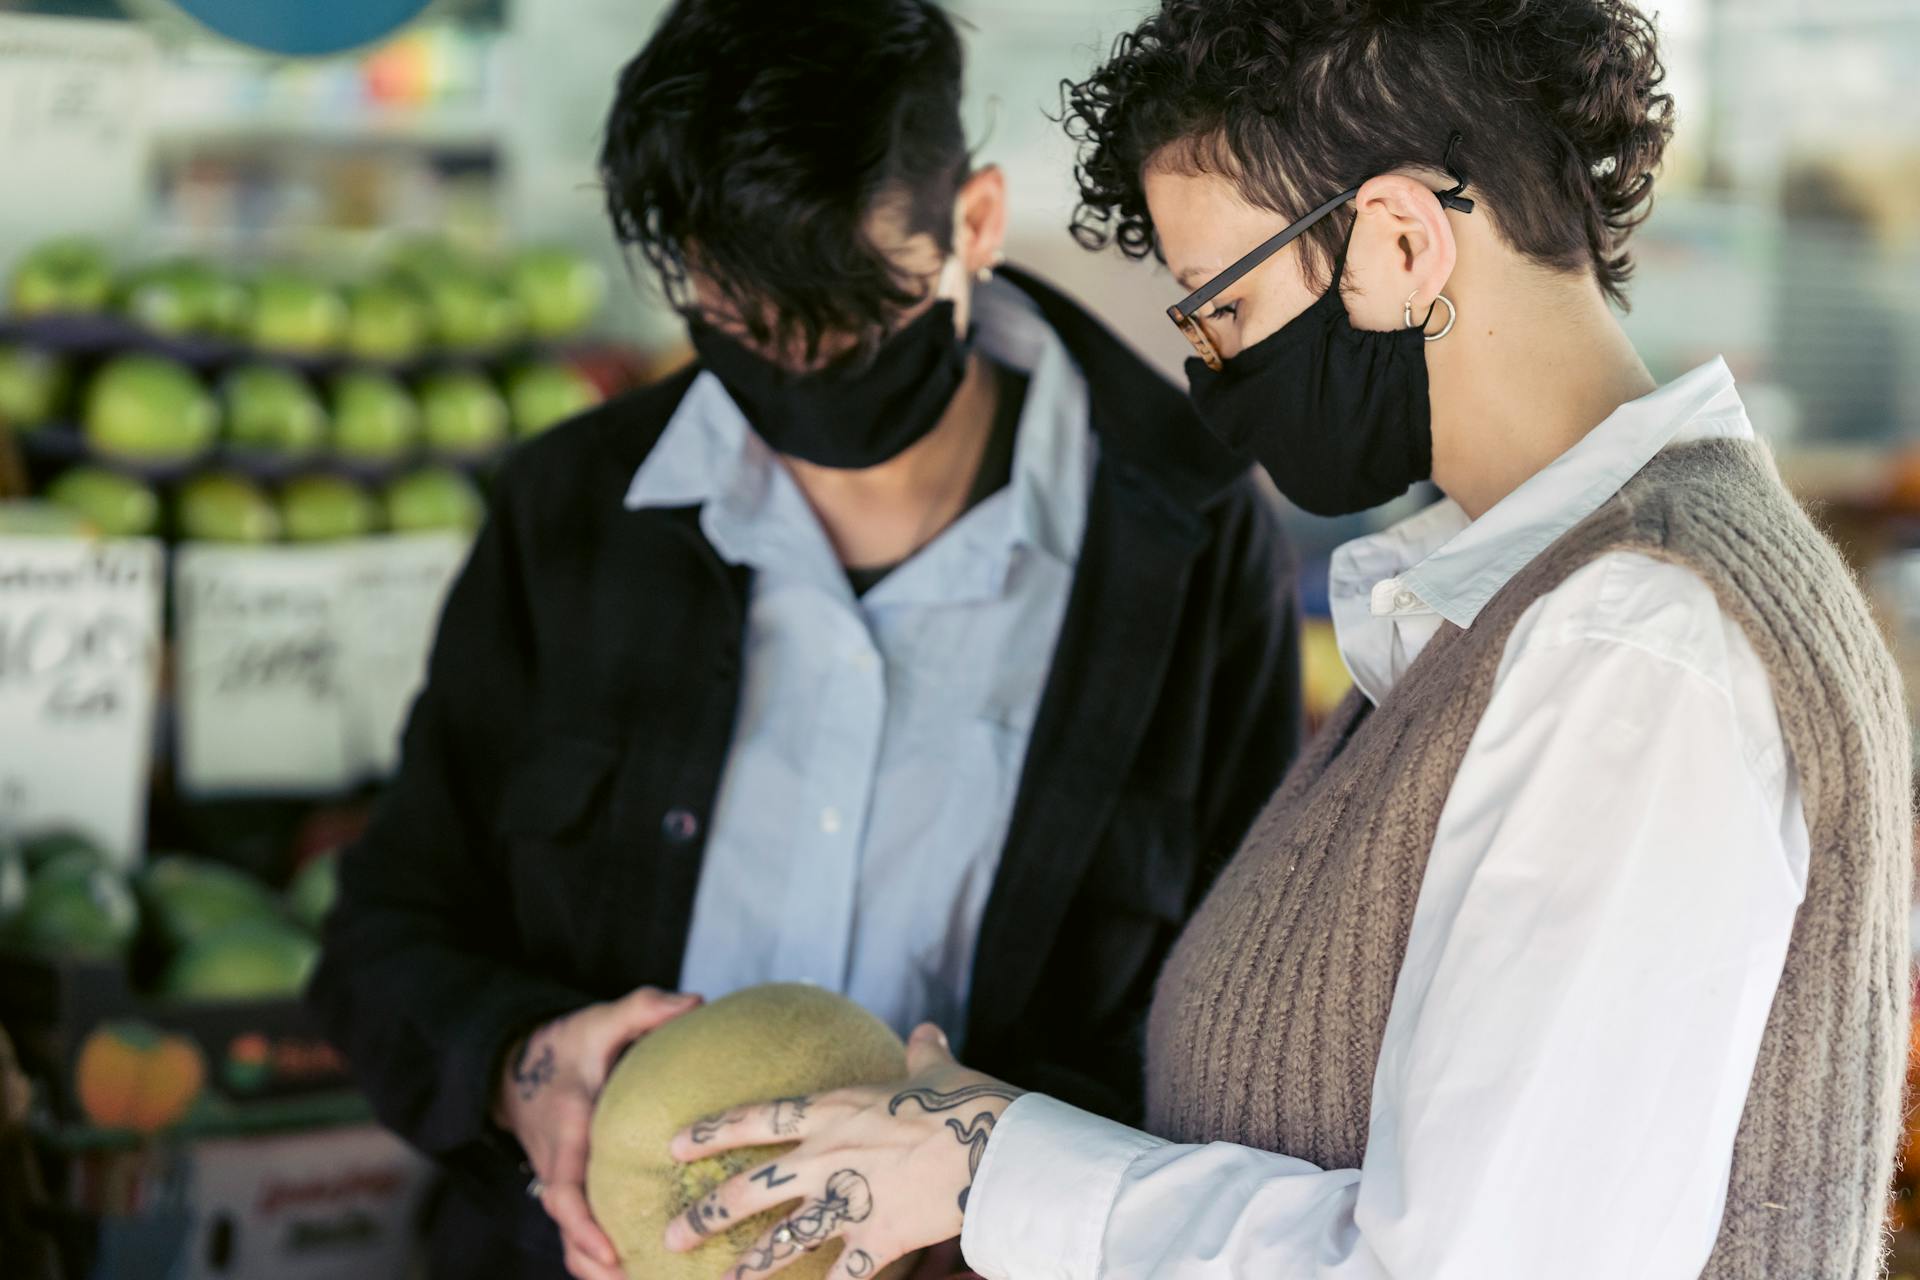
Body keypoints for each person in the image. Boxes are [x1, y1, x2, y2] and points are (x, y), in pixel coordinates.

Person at [668, 2, 1914, 1278]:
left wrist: (1000, 1163)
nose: (1211, 372)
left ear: (1398, 239)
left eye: (1223, 307)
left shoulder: (1636, 644)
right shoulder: (1518, 606)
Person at [306, 2, 1304, 1278]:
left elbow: (1234, 1022)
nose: (794, 361)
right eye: (741, 317)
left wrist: (995, 1173)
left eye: (841, 311)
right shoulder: (574, 513)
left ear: (977, 225)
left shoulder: (1185, 539)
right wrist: (524, 1067)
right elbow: (384, 932)